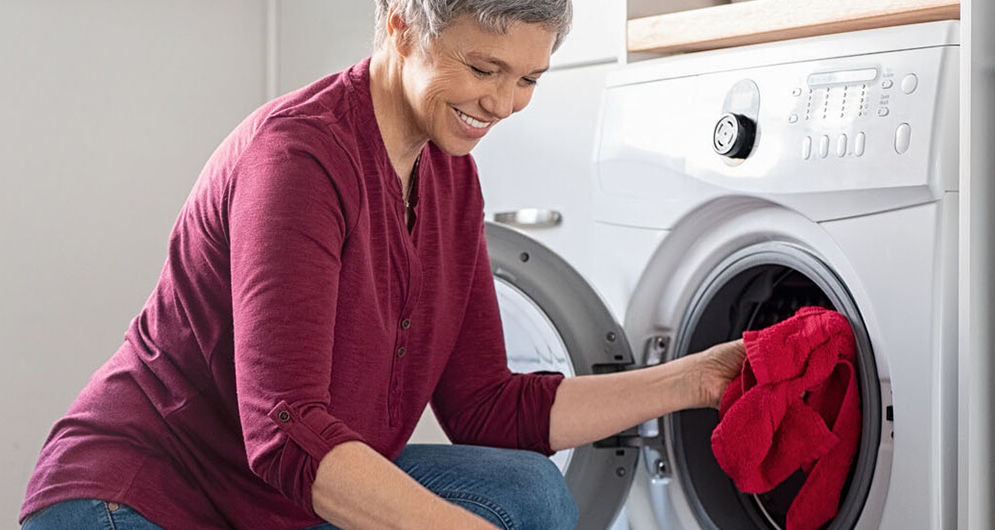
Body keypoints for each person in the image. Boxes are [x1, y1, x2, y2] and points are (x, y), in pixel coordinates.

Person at [20, 1, 747, 528]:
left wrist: (696, 378)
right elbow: (287, 432)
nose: (501, 102)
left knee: (528, 493)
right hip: (145, 496)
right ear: (400, 23)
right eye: (481, 67)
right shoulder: (298, 161)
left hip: (274, 503)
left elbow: (488, 406)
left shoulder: (449, 177)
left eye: (528, 78)